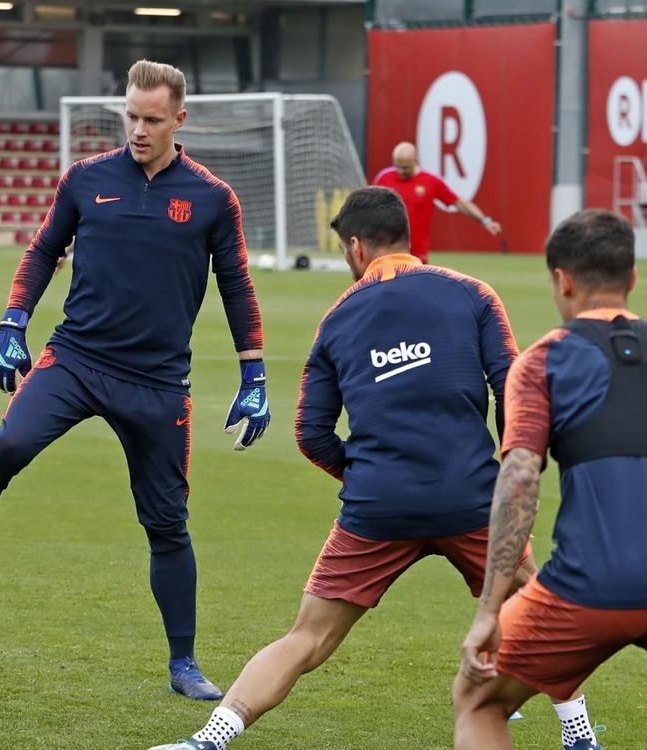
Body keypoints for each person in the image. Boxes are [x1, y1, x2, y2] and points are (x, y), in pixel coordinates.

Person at [147, 187, 594, 750]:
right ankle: (580, 737)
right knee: (537, 613)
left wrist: (366, 477)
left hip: (378, 506)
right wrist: (505, 473)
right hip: (472, 498)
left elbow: (310, 434)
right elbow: (515, 391)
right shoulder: (474, 294)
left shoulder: (337, 318)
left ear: (356, 246)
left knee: (306, 638)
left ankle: (208, 740)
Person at [0, 59, 270, 700]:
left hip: (157, 382)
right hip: (75, 360)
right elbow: (43, 249)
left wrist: (253, 372)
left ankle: (183, 663)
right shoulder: (86, 179)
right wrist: (12, 323)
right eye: (132, 116)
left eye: (153, 120)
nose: (139, 130)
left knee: (167, 522)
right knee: (5, 449)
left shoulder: (212, 197)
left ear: (179, 120)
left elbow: (236, 284)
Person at [453, 210, 647, 750]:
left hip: (585, 586)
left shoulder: (543, 360)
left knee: (478, 700)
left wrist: (490, 610)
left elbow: (519, 481)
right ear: (632, 277)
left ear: (561, 280)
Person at [374, 141, 502, 263]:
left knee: (417, 279)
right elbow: (371, 207)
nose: (401, 171)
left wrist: (485, 221)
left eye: (405, 167)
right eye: (397, 166)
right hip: (388, 248)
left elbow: (459, 203)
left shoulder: (431, 181)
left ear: (415, 160)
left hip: (417, 250)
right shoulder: (384, 178)